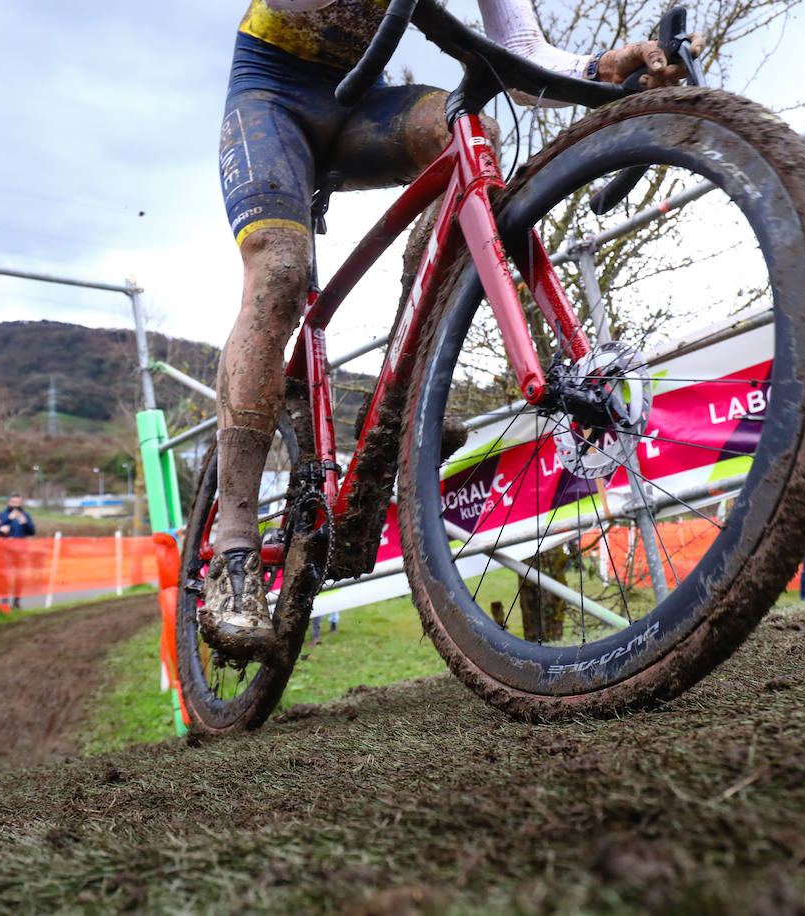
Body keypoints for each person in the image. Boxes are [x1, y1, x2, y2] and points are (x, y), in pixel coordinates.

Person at [205, 0, 703, 656]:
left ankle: (401, 387)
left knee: (473, 136)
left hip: (363, 106)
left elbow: (523, 57)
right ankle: (232, 550)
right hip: (270, 96)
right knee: (281, 270)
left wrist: (606, 70)